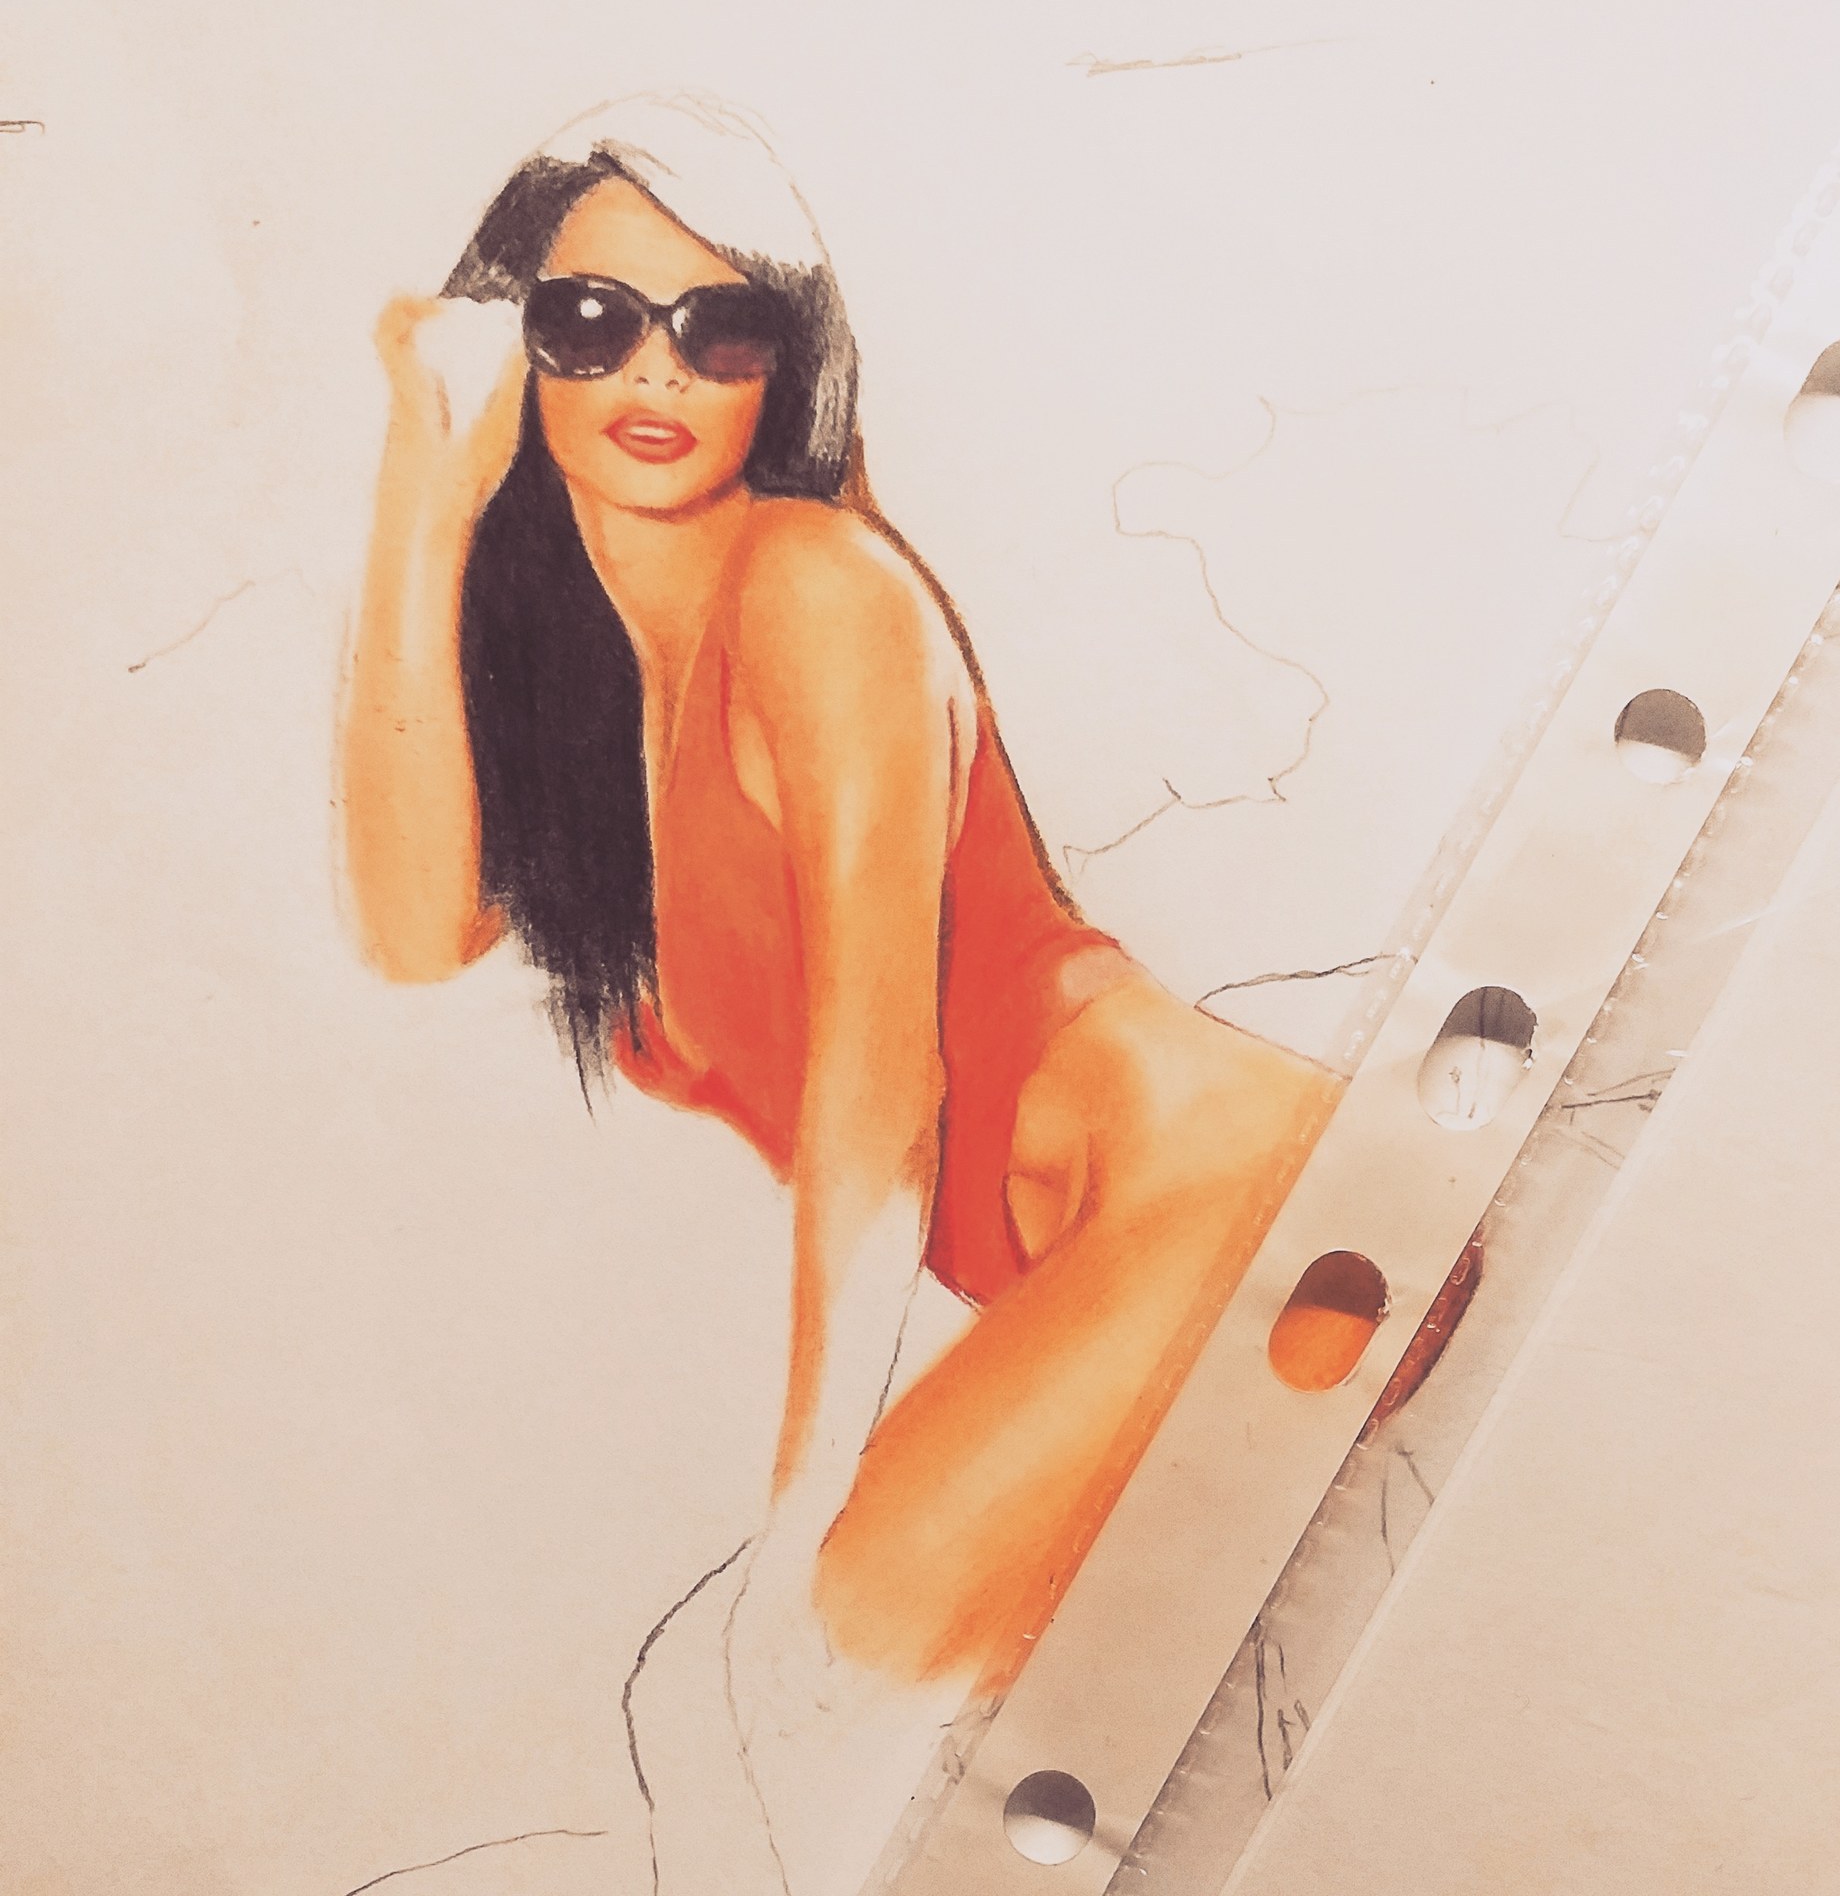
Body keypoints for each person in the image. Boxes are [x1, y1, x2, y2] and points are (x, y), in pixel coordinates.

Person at [340, 94, 1477, 1892]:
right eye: (589, 320)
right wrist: (423, 493)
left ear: (783, 364)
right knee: (718, 1729)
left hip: (1267, 1212)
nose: (657, 368)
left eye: (722, 327)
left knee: (797, 1679)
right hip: (1145, 1257)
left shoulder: (817, 590)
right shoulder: (589, 707)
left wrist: (802, 1518)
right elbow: (411, 928)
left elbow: (880, 1087)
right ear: (515, 342)